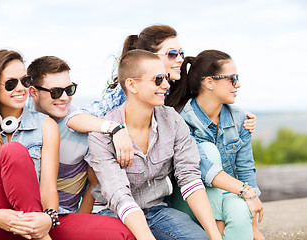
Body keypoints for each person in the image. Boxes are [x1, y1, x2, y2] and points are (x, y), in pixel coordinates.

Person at [0, 49, 135, 240]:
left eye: (24, 81)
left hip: (39, 219)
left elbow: (49, 187)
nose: (20, 88)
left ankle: (39, 233)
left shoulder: (45, 125)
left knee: (123, 232)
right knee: (13, 151)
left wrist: (48, 217)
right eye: (11, 84)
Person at [66, 24, 256, 167]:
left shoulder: (177, 84)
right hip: (127, 168)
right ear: (149, 57)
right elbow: (74, 118)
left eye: (181, 53)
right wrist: (115, 129)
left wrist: (239, 118)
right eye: (172, 54)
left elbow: (209, 101)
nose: (180, 59)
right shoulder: (126, 92)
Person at [86, 49, 222, 240]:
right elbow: (118, 194)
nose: (166, 85)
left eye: (166, 78)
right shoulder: (101, 135)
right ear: (132, 84)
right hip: (115, 214)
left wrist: (214, 235)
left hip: (157, 211)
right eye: (158, 79)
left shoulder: (172, 120)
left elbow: (189, 177)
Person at [165, 50, 264, 240]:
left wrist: (253, 226)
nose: (238, 84)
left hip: (228, 194)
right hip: (190, 201)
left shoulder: (240, 118)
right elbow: (204, 168)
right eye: (232, 79)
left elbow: (245, 170)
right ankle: (216, 229)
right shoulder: (181, 120)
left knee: (238, 211)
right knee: (209, 152)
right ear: (209, 82)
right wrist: (220, 221)